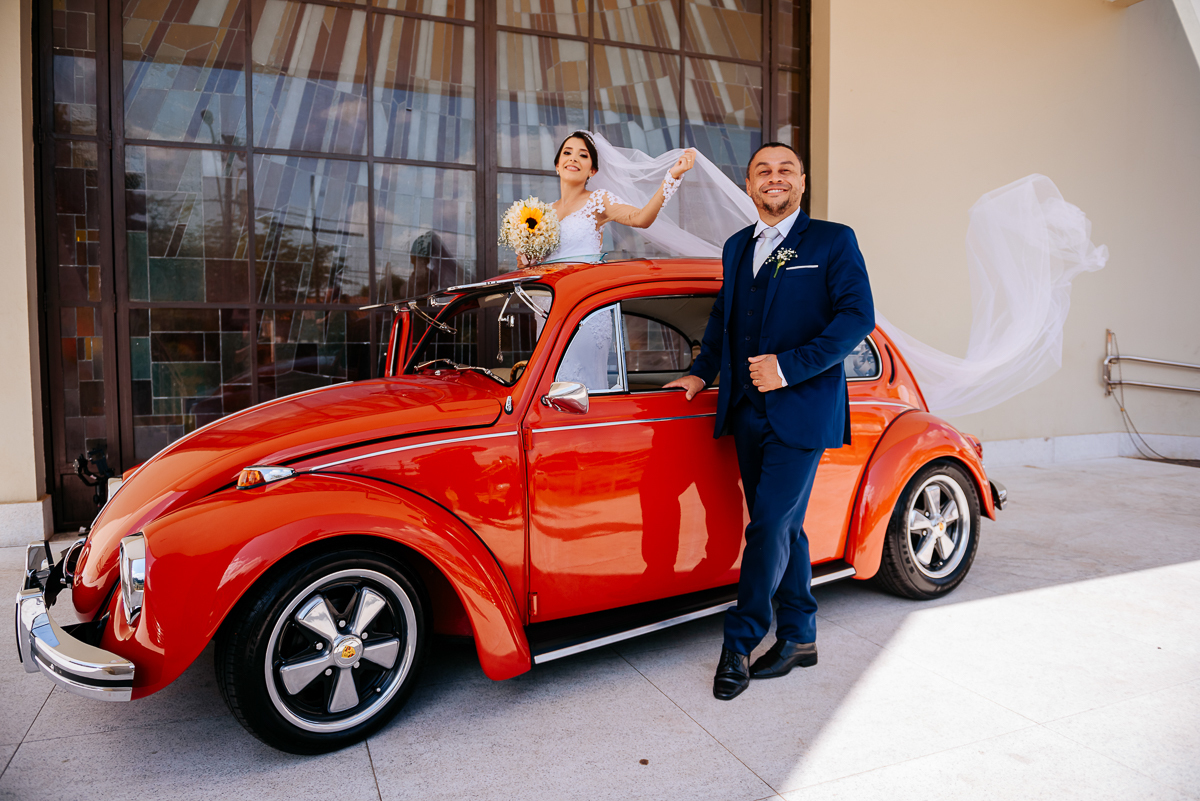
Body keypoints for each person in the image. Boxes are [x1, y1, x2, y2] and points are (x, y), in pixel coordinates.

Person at [664, 143, 875, 701]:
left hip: (803, 409)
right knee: (782, 527)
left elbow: (858, 317)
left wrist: (788, 368)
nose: (774, 178)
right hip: (744, 409)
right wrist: (698, 372)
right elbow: (723, 319)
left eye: (785, 170)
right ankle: (800, 637)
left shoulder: (832, 240)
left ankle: (740, 641)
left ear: (801, 182)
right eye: (763, 171)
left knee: (765, 529)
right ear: (750, 184)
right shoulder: (737, 247)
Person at [520, 131, 697, 266]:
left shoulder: (599, 200)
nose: (573, 158)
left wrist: (671, 178)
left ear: (592, 171)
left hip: (582, 298)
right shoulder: (540, 213)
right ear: (558, 165)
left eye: (583, 155)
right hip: (545, 303)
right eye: (567, 153)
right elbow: (527, 265)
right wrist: (525, 260)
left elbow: (641, 219)